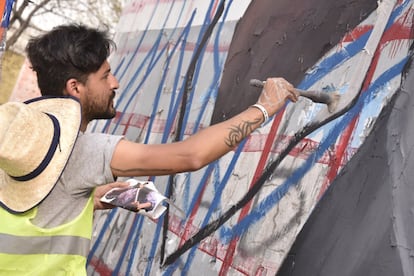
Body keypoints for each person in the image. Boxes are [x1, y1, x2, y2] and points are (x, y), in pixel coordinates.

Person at [0, 23, 299, 275]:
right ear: (75, 87)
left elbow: (37, 206)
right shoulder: (84, 150)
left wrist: (89, 199)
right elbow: (188, 156)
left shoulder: (20, 140)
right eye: (105, 76)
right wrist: (264, 108)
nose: (115, 83)